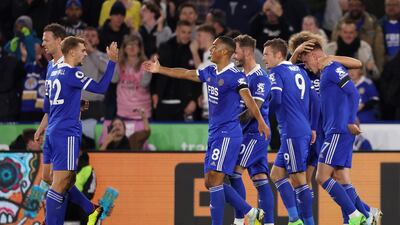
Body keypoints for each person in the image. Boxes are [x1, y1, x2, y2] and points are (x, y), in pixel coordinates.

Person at [143, 35, 270, 225]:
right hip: (214, 134)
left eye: (214, 47)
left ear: (225, 52)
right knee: (210, 183)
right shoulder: (210, 71)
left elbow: (249, 98)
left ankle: (241, 216)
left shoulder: (236, 76)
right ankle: (251, 212)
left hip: (228, 134)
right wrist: (160, 69)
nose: (210, 50)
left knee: (215, 181)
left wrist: (260, 120)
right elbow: (186, 73)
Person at [297, 33, 380, 225]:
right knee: (340, 177)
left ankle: (357, 215)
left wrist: (351, 120)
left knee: (322, 176)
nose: (306, 65)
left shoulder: (332, 69)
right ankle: (367, 213)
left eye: (306, 60)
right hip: (334, 130)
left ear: (315, 56)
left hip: (338, 130)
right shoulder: (326, 71)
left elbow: (352, 92)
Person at [43, 36, 118, 225]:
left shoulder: (54, 71)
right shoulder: (72, 73)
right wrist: (112, 62)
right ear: (72, 52)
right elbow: (100, 88)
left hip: (53, 129)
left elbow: (49, 104)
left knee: (66, 180)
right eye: (82, 50)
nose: (85, 53)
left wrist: (75, 102)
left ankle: (91, 209)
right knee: (61, 182)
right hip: (66, 132)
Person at [288, 31, 364, 193]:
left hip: (328, 127)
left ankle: (358, 213)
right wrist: (295, 53)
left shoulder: (327, 67)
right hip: (309, 127)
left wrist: (331, 57)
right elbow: (286, 70)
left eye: (303, 55)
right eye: (300, 56)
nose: (303, 60)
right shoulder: (301, 70)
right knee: (303, 177)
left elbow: (357, 63)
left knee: (332, 175)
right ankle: (359, 213)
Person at [263, 38, 319, 225]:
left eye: (266, 54)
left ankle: (307, 223)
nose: (264, 59)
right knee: (277, 174)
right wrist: (311, 126)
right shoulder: (301, 71)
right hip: (300, 129)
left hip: (292, 131)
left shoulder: (276, 72)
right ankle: (295, 218)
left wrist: (262, 117)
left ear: (279, 55)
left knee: (298, 178)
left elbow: (277, 100)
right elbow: (316, 101)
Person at [229, 34, 275, 225]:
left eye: (236, 51)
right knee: (260, 178)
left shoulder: (261, 78)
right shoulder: (242, 76)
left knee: (233, 172)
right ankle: (269, 222)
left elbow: (253, 109)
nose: (233, 55)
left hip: (255, 134)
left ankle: (241, 220)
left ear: (247, 52)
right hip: (247, 134)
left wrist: (229, 122)